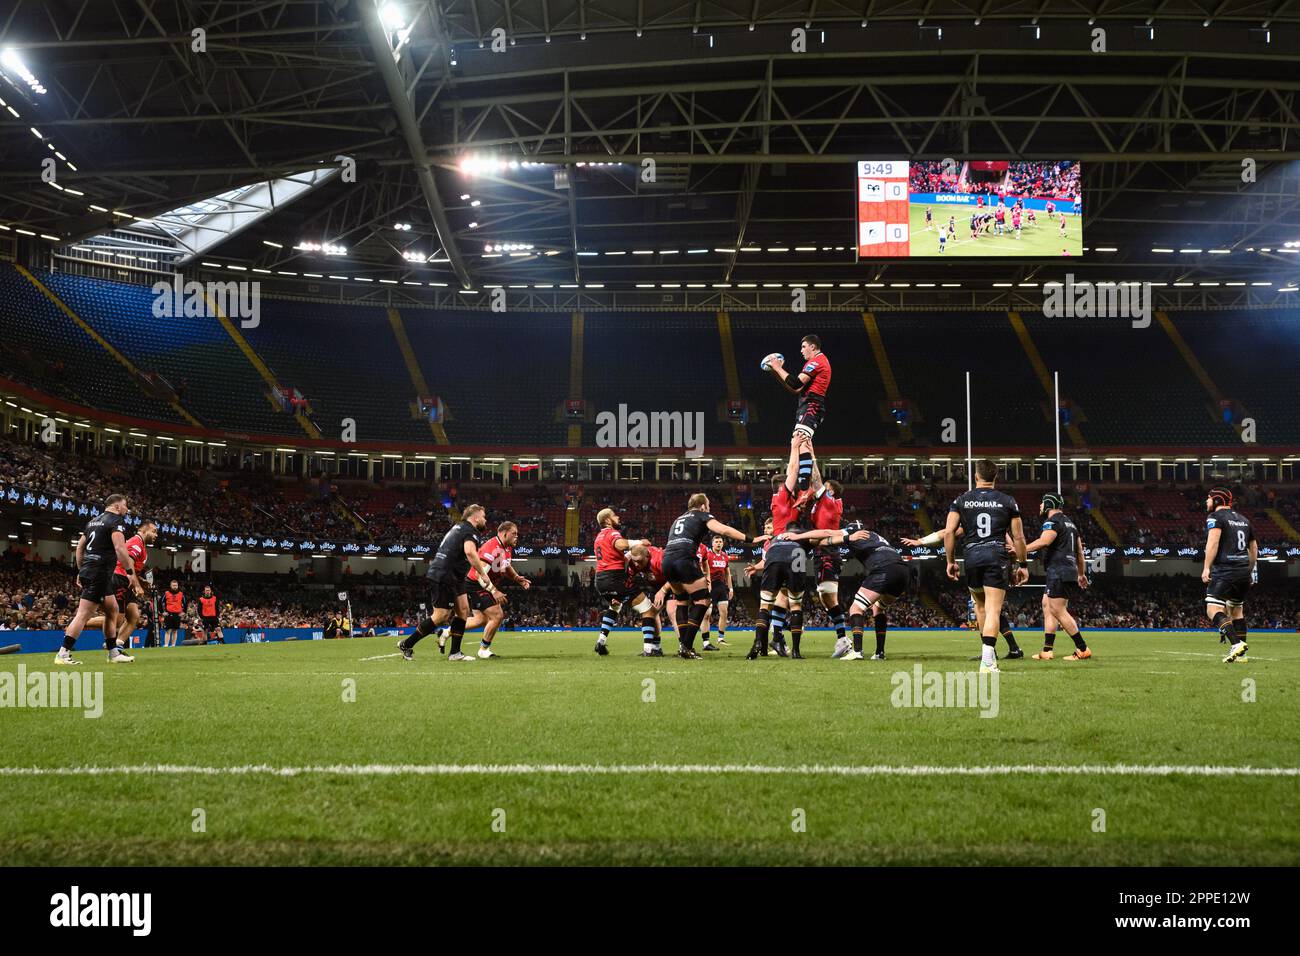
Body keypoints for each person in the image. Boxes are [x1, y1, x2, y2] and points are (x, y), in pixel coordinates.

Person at [943, 460, 1028, 673]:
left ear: (976, 476)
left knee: (980, 607)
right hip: (996, 556)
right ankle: (988, 661)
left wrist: (951, 561)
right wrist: (1023, 564)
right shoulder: (1007, 501)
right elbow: (1018, 537)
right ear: (995, 477)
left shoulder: (961, 500)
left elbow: (948, 532)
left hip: (972, 556)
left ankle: (987, 655)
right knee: (993, 609)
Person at [398, 504, 497, 662]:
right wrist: (483, 573)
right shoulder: (471, 530)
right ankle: (406, 644)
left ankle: (455, 653)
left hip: (454, 575)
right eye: (484, 517)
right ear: (476, 517)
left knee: (463, 611)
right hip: (445, 575)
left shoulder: (459, 527)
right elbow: (470, 552)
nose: (485, 520)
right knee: (441, 616)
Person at [660, 494, 749, 659]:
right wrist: (749, 538)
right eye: (708, 505)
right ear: (702, 506)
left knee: (681, 602)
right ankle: (686, 647)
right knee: (703, 601)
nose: (709, 509)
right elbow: (723, 530)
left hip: (667, 561)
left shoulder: (678, 519)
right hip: (684, 560)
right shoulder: (701, 514)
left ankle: (683, 646)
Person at [55, 494, 138, 665]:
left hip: (92, 571)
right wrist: (130, 571)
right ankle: (63, 653)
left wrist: (81, 569)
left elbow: (80, 547)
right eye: (125, 506)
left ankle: (113, 653)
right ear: (116, 506)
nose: (126, 509)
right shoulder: (116, 520)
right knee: (84, 614)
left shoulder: (93, 522)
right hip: (99, 572)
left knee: (113, 610)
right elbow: (120, 548)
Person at [762, 334, 831, 509]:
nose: (801, 351)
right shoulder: (813, 363)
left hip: (812, 406)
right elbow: (796, 388)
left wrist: (777, 367)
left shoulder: (817, 361)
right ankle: (805, 487)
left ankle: (805, 487)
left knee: (800, 439)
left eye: (804, 347)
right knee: (802, 443)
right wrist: (776, 372)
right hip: (807, 406)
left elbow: (794, 383)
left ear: (813, 347)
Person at [1023, 493, 1091, 661]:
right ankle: (1047, 650)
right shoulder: (1071, 524)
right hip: (1068, 570)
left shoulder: (1052, 522)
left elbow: (1043, 542)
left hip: (1058, 570)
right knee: (1047, 604)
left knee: (1057, 610)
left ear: (1048, 504)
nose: (1040, 506)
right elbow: (1080, 554)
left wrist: (1021, 549)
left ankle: (1082, 648)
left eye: (1042, 503)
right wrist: (1081, 574)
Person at [1201, 487, 1256, 663]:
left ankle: (1235, 645)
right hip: (1243, 572)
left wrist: (1206, 567)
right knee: (1236, 610)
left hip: (1225, 571)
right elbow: (1253, 548)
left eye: (1209, 498)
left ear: (1217, 500)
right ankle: (1242, 654)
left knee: (1213, 608)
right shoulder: (1244, 519)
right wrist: (1249, 569)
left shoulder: (1215, 518)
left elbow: (1213, 542)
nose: (1206, 502)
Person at [591, 507, 653, 656]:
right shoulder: (612, 532)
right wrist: (640, 542)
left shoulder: (598, 537)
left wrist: (630, 554)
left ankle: (601, 641)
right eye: (614, 515)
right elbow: (621, 545)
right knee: (648, 609)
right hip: (615, 578)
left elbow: (619, 556)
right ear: (607, 520)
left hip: (600, 581)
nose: (618, 517)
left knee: (615, 607)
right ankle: (649, 649)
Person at [162, 579, 186, 646]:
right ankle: (166, 645)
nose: (175, 587)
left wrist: (184, 612)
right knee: (168, 630)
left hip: (177, 614)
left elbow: (185, 603)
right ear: (171, 586)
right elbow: (160, 602)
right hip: (169, 614)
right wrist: (162, 612)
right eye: (173, 585)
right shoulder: (166, 593)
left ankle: (173, 645)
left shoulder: (181, 594)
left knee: (175, 630)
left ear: (178, 586)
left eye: (176, 585)